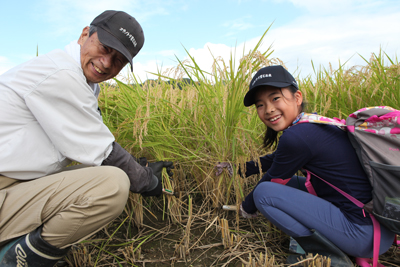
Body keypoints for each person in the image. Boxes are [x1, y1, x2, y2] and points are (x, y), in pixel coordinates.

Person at [0, 10, 173, 266]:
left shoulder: (85, 83)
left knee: (105, 174)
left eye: (118, 60)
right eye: (104, 48)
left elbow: (91, 144)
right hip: (6, 186)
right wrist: (148, 181)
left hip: (15, 183)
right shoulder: (61, 73)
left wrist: (138, 166)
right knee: (112, 185)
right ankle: (16, 259)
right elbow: (103, 152)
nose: (106, 63)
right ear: (84, 35)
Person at [238, 65, 395, 265]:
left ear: (297, 98)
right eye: (260, 105)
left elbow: (273, 179)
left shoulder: (297, 137)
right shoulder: (314, 125)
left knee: (264, 192)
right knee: (290, 184)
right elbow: (275, 159)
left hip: (363, 236)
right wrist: (240, 169)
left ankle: (328, 254)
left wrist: (247, 207)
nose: (268, 109)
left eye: (275, 98)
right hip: (378, 230)